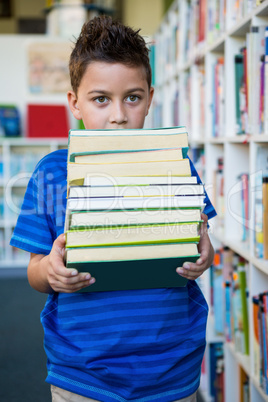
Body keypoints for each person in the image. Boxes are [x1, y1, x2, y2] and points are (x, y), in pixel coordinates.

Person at [10, 16, 216, 402]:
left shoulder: (175, 163)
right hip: (84, 372)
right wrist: (52, 272)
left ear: (150, 98)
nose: (119, 115)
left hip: (171, 366)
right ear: (75, 103)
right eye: (101, 99)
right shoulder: (51, 173)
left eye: (132, 98)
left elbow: (202, 245)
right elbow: (36, 272)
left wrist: (205, 254)